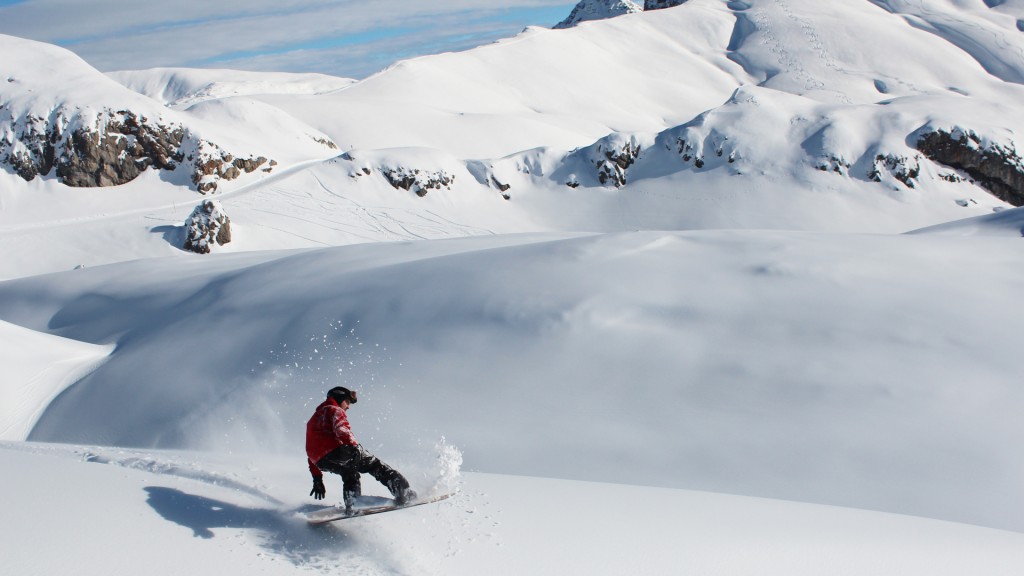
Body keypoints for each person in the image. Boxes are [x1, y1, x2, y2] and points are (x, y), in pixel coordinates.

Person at [306, 386, 417, 512]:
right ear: (339, 398)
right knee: (375, 465)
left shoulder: (312, 420)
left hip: (321, 461)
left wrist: (317, 479)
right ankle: (404, 493)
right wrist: (354, 447)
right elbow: (342, 430)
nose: (348, 407)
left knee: (349, 473)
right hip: (339, 451)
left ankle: (352, 503)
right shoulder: (334, 409)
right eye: (347, 401)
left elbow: (312, 450)